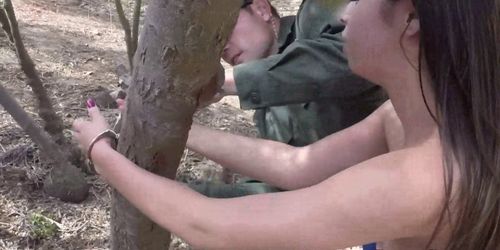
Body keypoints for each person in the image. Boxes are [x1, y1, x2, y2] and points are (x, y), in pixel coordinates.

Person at [72, 0, 499, 249]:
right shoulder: (408, 121)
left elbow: (209, 226)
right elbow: (296, 165)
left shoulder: (421, 179)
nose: (346, 14)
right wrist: (179, 128)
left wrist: (101, 154)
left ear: (411, 19)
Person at [192, 0, 387, 199]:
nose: (223, 47)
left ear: (261, 9)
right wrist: (191, 196)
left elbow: (356, 57)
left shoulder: (314, 17)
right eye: (215, 43)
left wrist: (227, 82)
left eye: (225, 29)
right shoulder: (266, 110)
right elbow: (284, 186)